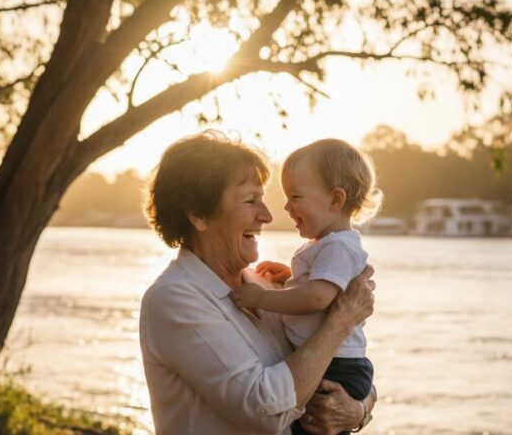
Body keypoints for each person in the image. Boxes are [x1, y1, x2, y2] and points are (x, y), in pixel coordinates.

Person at [139, 131, 377, 435]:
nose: (267, 216)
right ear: (198, 214)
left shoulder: (270, 288)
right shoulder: (174, 298)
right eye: (251, 201)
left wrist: (357, 411)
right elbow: (265, 410)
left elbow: (344, 362)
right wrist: (341, 320)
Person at [232, 139, 381, 435]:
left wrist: (262, 297)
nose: (286, 208)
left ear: (335, 200)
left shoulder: (338, 246)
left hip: (337, 368)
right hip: (334, 363)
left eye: (295, 197)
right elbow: (322, 288)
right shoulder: (328, 245)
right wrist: (291, 277)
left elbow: (317, 298)